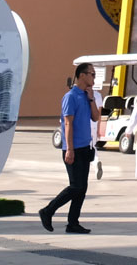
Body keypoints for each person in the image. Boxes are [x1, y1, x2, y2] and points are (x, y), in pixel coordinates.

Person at [38, 62, 98, 233]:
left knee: (82, 188)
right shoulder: (70, 97)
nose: (94, 77)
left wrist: (92, 98)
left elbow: (95, 117)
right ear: (81, 75)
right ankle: (48, 211)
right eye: (91, 74)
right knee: (76, 186)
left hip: (85, 148)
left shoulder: (87, 96)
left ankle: (73, 223)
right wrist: (69, 149)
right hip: (74, 148)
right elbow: (67, 123)